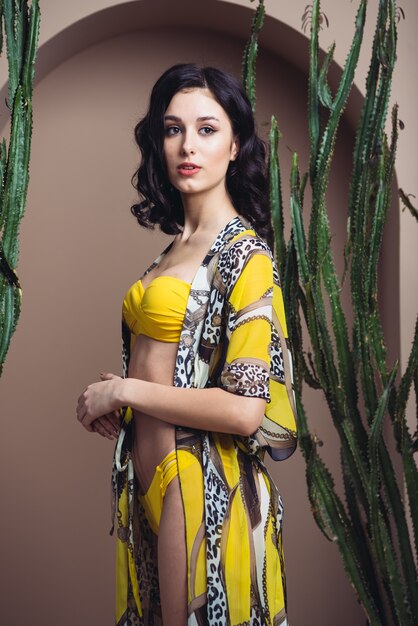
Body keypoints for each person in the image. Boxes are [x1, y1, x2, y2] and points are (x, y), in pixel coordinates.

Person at [76, 63, 297, 626]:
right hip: (142, 479)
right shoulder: (173, 250)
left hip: (197, 481)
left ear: (235, 144)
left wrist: (128, 388)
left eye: (206, 129)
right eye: (172, 129)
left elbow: (245, 411)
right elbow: (175, 369)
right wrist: (118, 398)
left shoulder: (245, 258)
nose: (187, 146)